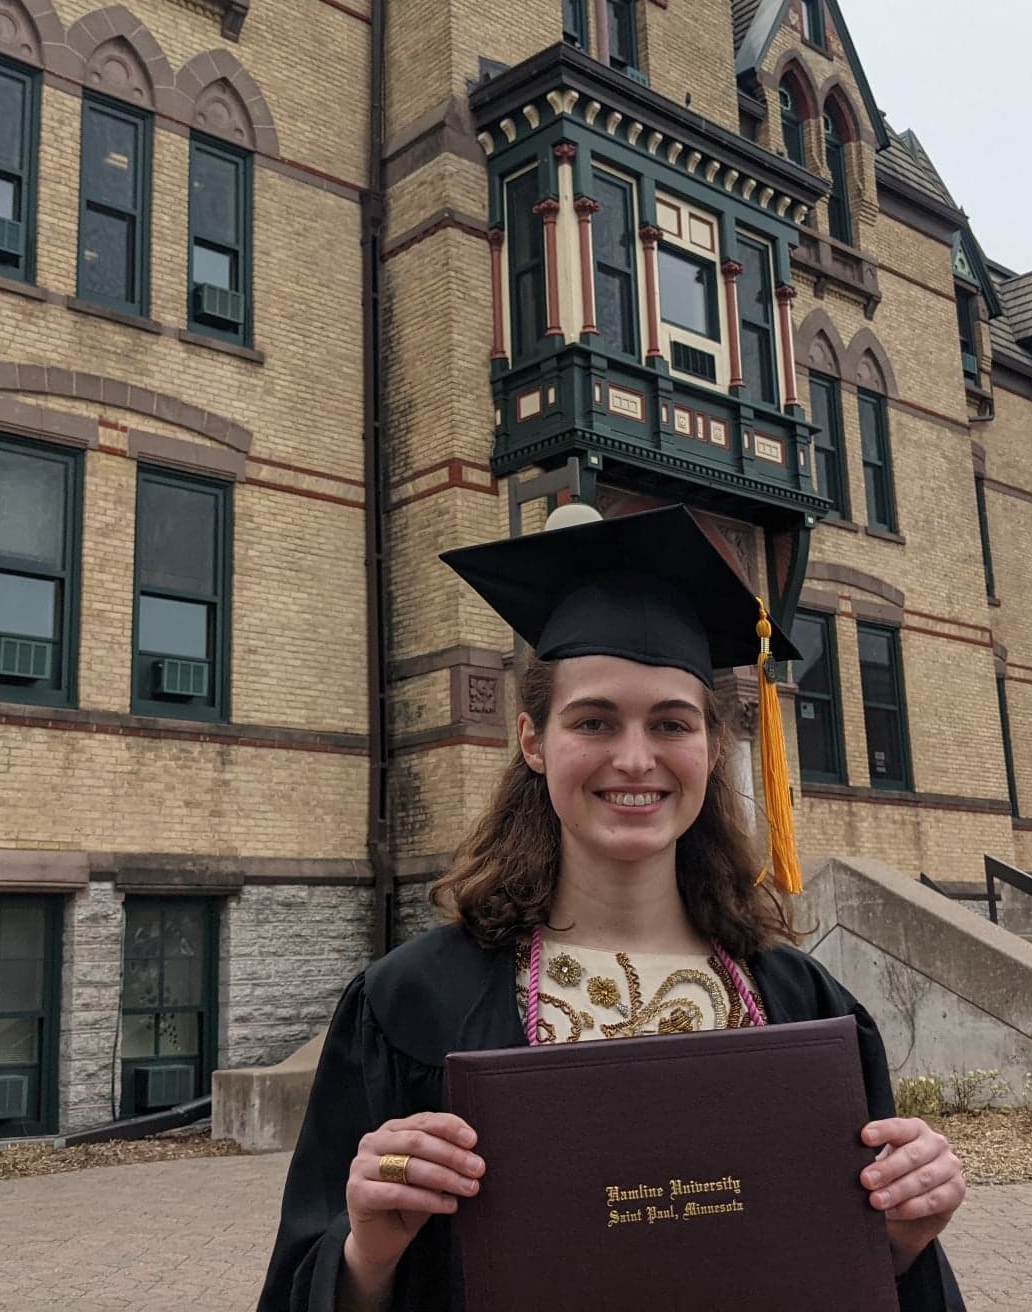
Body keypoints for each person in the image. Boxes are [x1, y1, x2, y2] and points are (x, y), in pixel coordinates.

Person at [258, 505, 967, 1310]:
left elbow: (850, 1270)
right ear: (533, 741)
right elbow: (307, 1284)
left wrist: (906, 1237)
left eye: (671, 722)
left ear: (710, 746)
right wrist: (368, 1253)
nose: (636, 758)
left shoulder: (802, 1006)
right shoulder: (413, 1004)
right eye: (594, 721)